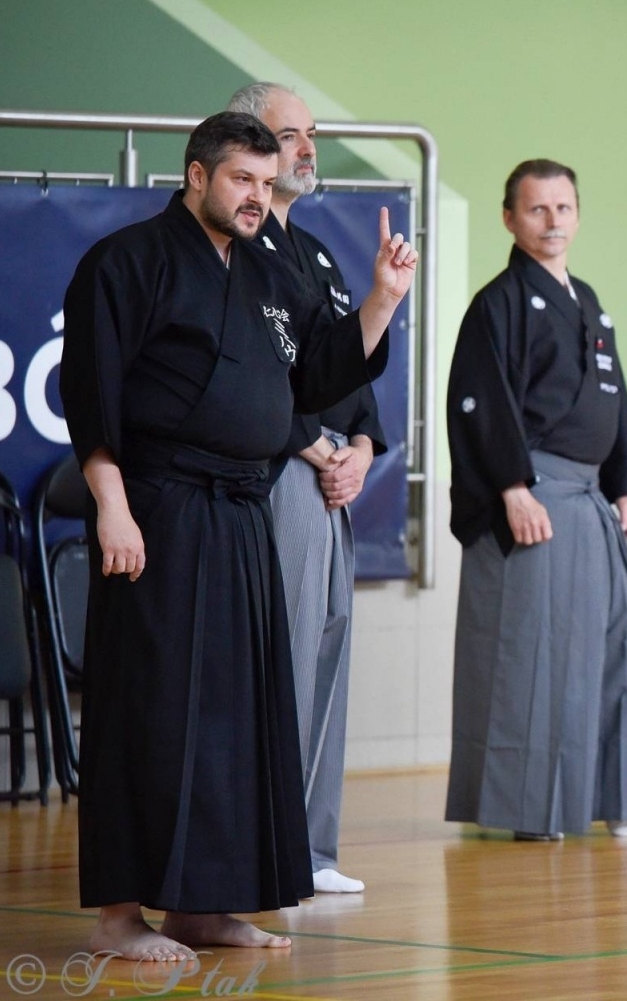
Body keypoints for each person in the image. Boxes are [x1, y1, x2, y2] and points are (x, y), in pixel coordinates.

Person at [60, 111, 416, 961]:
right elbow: (93, 393)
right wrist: (111, 503)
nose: (257, 196)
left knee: (236, 714)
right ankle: (119, 916)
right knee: (149, 707)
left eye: (266, 182)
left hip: (241, 511)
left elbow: (322, 373)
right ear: (196, 176)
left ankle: (204, 905)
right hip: (159, 507)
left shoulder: (265, 270)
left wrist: (382, 301)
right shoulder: (127, 262)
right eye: (241, 180)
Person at [444, 159, 627, 842]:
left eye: (563, 208)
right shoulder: (498, 304)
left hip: (590, 498)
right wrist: (512, 489)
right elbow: (479, 404)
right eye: (537, 209)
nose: (552, 221)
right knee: (533, 656)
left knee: (620, 649)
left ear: (578, 215)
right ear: (509, 218)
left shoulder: (587, 298)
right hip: (536, 495)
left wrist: (626, 482)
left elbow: (612, 397)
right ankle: (534, 810)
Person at [228, 82, 384, 895]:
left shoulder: (316, 251)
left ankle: (316, 846)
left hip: (330, 474)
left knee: (327, 645)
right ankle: (277, 847)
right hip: (282, 474)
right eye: (289, 134)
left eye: (311, 133)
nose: (305, 148)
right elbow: (258, 378)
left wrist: (359, 444)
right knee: (285, 656)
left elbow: (344, 373)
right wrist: (316, 446)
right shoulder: (238, 250)